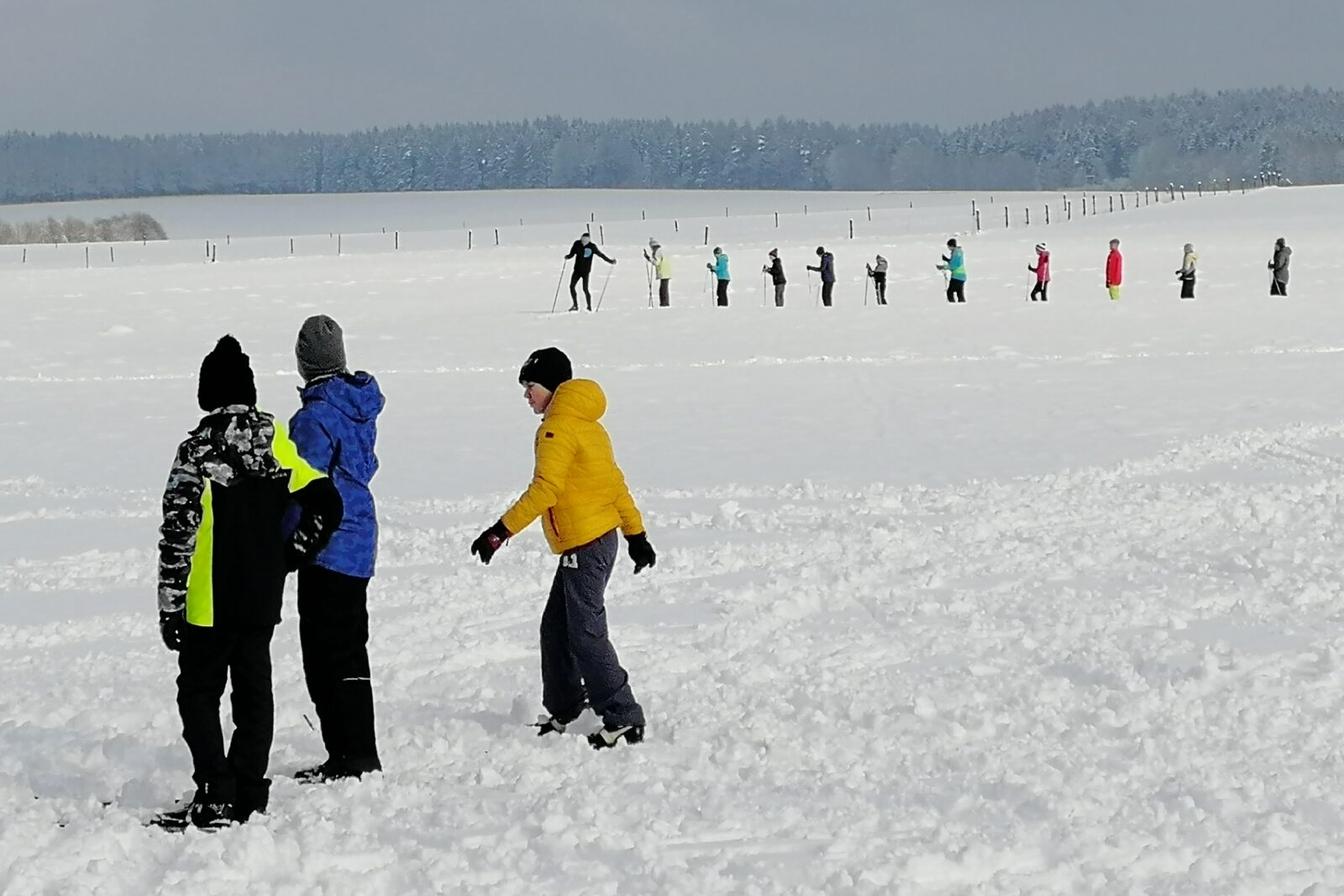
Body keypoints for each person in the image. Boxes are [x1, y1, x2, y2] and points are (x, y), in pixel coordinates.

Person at [155, 335, 342, 829]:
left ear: (206, 393)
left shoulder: (196, 449)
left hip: (206, 603)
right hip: (261, 600)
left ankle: (215, 792)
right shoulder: (277, 441)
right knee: (253, 693)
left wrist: (170, 606)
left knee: (198, 694)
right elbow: (328, 502)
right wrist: (290, 555)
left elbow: (179, 533)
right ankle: (248, 791)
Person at [470, 347, 654, 750]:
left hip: (585, 544)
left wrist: (499, 532)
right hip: (596, 539)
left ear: (552, 388)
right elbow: (614, 485)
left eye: (530, 387)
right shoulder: (589, 426)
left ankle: (622, 715)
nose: (526, 396)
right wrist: (635, 537)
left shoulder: (556, 428)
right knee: (555, 630)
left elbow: (545, 490)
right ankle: (570, 708)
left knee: (585, 634)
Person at [289, 315, 386, 783]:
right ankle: (355, 753)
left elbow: (302, 485)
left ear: (304, 363)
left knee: (324, 655)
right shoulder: (359, 407)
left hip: (327, 546)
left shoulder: (314, 417)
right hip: (360, 540)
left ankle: (350, 756)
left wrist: (288, 544)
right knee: (350, 650)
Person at [564, 233, 615, 312]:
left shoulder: (592, 246)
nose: (583, 241)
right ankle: (575, 305)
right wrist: (567, 257)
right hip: (577, 270)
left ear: (588, 240)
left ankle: (589, 306)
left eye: (585, 240)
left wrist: (610, 261)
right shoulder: (577, 244)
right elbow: (572, 254)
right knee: (571, 286)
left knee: (585, 289)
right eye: (582, 239)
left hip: (586, 271)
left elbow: (601, 255)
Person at [643, 238, 671, 307]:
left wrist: (649, 259)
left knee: (663, 290)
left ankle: (664, 304)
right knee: (664, 288)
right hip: (667, 271)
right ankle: (665, 303)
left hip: (663, 272)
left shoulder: (658, 252)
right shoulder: (661, 251)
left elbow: (657, 263)